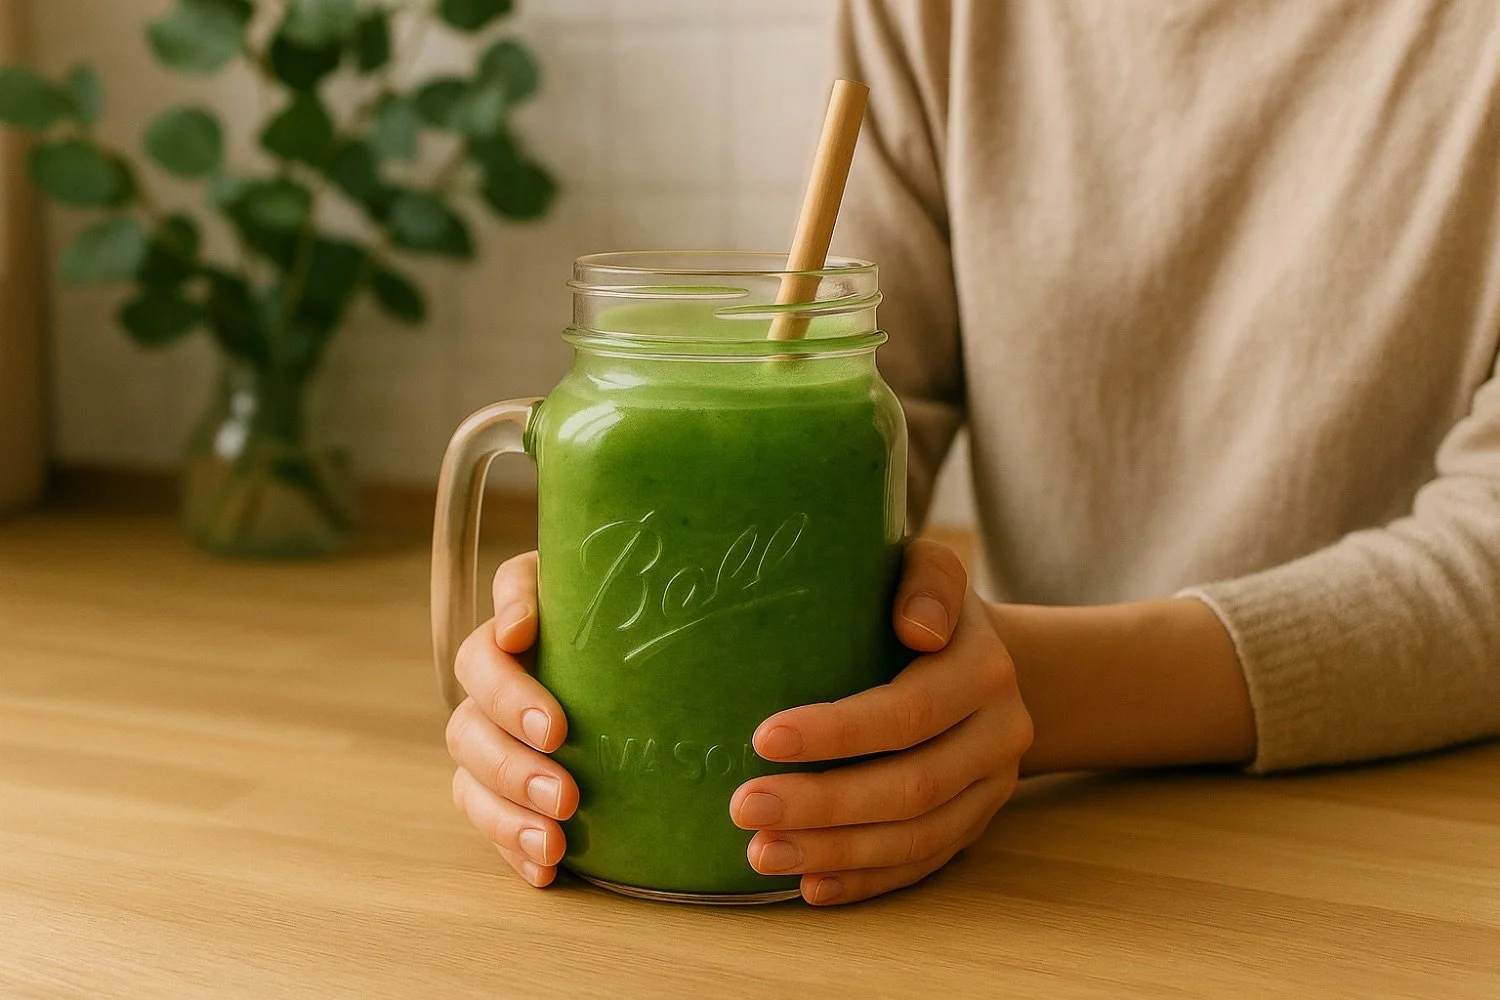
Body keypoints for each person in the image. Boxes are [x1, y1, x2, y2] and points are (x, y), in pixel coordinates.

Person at [444, 0, 1500, 905]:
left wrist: (1030, 693)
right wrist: (599, 614)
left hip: (1410, 844)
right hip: (1049, 842)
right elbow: (851, 416)